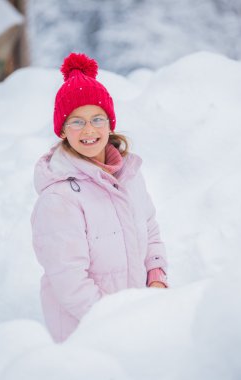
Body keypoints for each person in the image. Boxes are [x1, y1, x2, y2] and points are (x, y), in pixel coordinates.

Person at [31, 52, 168, 343]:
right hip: (88, 333)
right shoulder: (60, 197)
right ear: (63, 130)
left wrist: (156, 275)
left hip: (135, 321)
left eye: (97, 118)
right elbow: (69, 280)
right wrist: (115, 323)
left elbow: (150, 228)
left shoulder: (129, 175)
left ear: (110, 123)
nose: (89, 130)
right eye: (77, 122)